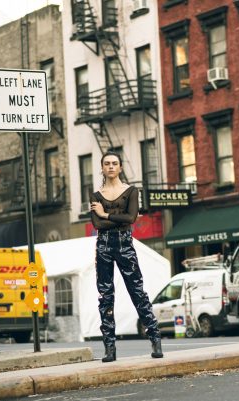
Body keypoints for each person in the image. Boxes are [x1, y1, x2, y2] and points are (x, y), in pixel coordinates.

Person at [90, 151, 163, 363]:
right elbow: (97, 224)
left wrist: (105, 214)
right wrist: (114, 219)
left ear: (120, 167)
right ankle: (109, 347)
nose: (111, 166)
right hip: (103, 246)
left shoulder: (131, 191)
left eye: (114, 163)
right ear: (102, 168)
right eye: (107, 163)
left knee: (137, 291)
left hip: (125, 244)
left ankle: (155, 339)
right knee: (105, 296)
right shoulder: (95, 195)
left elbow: (130, 218)